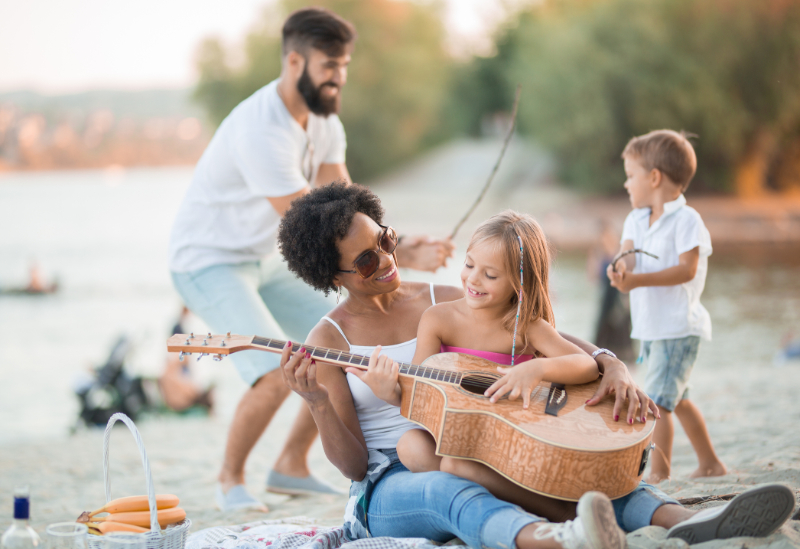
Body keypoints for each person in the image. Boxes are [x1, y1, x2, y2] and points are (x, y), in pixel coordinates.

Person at [277, 182, 794, 549]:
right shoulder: (329, 340)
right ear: (333, 273)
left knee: (558, 466)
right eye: (366, 260)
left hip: (483, 432)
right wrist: (318, 402)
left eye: (385, 240)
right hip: (394, 476)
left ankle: (687, 518)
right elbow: (351, 466)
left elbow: (535, 331)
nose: (387, 259)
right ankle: (553, 537)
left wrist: (607, 362)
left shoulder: (447, 295)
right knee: (449, 487)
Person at [168, 7, 454, 511]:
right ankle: (230, 479)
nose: (337, 77)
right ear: (295, 61)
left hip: (266, 259)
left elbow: (343, 201)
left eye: (342, 66)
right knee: (275, 369)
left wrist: (395, 243)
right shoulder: (261, 128)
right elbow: (305, 222)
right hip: (209, 258)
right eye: (328, 66)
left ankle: (291, 465)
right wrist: (402, 251)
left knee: (335, 347)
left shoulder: (323, 121)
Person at [366, 211, 605, 517]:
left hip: (513, 439)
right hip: (460, 435)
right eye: (468, 264)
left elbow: (585, 364)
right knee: (411, 445)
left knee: (454, 465)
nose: (473, 279)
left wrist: (537, 368)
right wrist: (390, 393)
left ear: (520, 284)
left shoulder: (525, 324)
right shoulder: (438, 318)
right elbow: (419, 390)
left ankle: (565, 515)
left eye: (490, 275)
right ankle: (506, 507)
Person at [607, 130, 727, 484]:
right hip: (652, 327)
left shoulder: (687, 219)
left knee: (657, 402)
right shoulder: (635, 219)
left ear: (654, 177)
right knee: (680, 400)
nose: (627, 184)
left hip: (678, 327)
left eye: (631, 175)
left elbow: (686, 269)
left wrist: (639, 281)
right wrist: (621, 269)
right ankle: (711, 464)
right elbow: (626, 253)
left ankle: (659, 473)